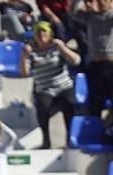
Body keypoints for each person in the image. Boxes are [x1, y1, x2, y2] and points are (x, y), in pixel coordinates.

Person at [20, 21, 79, 150]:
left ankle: (70, 141)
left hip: (63, 86)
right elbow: (25, 73)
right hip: (44, 88)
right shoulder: (31, 50)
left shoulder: (56, 46)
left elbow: (76, 60)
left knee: (70, 104)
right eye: (38, 32)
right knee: (42, 109)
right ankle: (46, 142)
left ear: (50, 33)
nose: (41, 34)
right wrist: (24, 56)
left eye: (44, 31)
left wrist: (63, 48)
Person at [72, 0, 113, 116]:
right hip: (95, 65)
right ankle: (95, 127)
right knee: (95, 101)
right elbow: (73, 12)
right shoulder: (89, 17)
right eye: (99, 1)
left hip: (111, 65)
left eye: (105, 0)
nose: (102, 3)